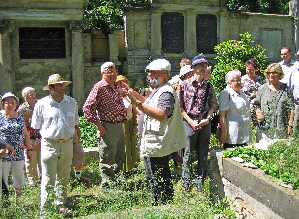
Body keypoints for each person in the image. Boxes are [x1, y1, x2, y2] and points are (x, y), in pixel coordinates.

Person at [127, 58, 187, 205]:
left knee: (160, 178)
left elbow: (161, 115)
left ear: (164, 74)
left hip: (159, 143)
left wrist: (138, 105)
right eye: (149, 72)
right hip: (153, 143)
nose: (150, 75)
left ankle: (164, 207)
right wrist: (132, 93)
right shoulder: (158, 90)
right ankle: (158, 205)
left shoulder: (166, 92)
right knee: (153, 177)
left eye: (153, 72)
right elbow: (149, 104)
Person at [31, 74, 79, 214]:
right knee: (48, 178)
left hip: (67, 144)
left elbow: (75, 123)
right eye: (58, 85)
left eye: (63, 85)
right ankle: (46, 211)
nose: (62, 87)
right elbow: (35, 126)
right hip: (49, 144)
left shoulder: (72, 102)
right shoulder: (42, 104)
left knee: (63, 177)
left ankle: (60, 206)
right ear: (50, 88)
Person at [83, 62, 126, 191]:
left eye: (114, 71)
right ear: (103, 74)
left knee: (119, 154)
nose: (112, 74)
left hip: (118, 125)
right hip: (107, 126)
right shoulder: (100, 87)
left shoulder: (115, 86)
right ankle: (107, 185)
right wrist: (100, 126)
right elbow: (87, 107)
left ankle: (116, 180)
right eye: (109, 72)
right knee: (107, 156)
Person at [179, 55, 217, 193]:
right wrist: (190, 121)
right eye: (200, 66)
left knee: (202, 153)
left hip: (204, 122)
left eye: (205, 66)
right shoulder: (184, 85)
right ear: (193, 68)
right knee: (188, 154)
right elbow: (180, 107)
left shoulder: (209, 86)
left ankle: (200, 181)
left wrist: (207, 119)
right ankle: (186, 184)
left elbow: (213, 105)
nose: (203, 68)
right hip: (189, 122)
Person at [0, 92, 32, 199]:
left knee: (18, 177)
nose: (10, 104)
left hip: (18, 152)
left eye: (13, 102)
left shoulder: (19, 117)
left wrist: (29, 149)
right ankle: (4, 202)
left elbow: (26, 134)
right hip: (3, 153)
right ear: (2, 103)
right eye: (7, 102)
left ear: (16, 104)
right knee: (3, 178)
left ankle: (17, 202)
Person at [255, 63, 295, 142]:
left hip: (281, 127)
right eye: (269, 72)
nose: (271, 75)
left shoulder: (286, 89)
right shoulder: (262, 89)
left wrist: (290, 125)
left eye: (274, 72)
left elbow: (291, 109)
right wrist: (259, 113)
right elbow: (256, 105)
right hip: (265, 128)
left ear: (280, 74)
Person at [219, 70, 252, 148]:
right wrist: (224, 132)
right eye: (236, 80)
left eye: (239, 80)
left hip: (244, 131)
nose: (239, 82)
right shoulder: (226, 93)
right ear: (229, 83)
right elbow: (222, 115)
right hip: (233, 133)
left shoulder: (242, 93)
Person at [17, 87, 41, 187]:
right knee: (31, 158)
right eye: (31, 94)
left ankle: (43, 176)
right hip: (29, 136)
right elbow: (18, 123)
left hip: (41, 134)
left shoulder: (40, 104)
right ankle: (32, 179)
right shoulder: (22, 109)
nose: (34, 95)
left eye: (34, 93)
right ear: (25, 98)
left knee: (42, 156)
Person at [116, 75, 139, 172]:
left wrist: (135, 125)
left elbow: (136, 112)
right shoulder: (114, 96)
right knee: (122, 146)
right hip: (119, 124)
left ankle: (130, 168)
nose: (121, 84)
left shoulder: (130, 96)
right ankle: (121, 168)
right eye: (119, 82)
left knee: (130, 144)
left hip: (129, 123)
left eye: (124, 82)